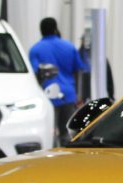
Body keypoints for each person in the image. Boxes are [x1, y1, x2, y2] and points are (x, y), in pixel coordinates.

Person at [30, 17, 87, 145]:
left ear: (41, 30)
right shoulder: (69, 47)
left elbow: (35, 74)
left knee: (49, 133)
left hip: (47, 96)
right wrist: (79, 95)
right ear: (56, 29)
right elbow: (79, 71)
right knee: (67, 134)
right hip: (68, 95)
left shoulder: (36, 50)